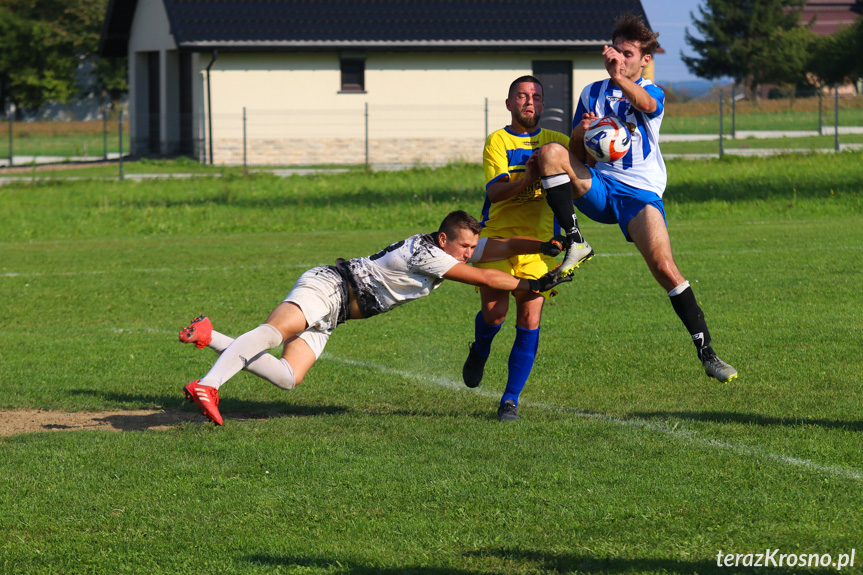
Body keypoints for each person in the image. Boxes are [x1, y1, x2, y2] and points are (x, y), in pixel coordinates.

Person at [179, 210, 571, 425]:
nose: (468, 252)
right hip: (331, 286)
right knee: (274, 332)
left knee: (287, 377)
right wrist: (537, 283)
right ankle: (209, 385)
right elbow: (487, 276)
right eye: (463, 246)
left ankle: (209, 335)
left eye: (471, 246)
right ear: (443, 240)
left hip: (337, 314)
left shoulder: (448, 247)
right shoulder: (429, 253)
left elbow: (498, 247)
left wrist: (542, 246)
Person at [534, 14, 737, 382]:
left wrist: (619, 77)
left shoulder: (651, 90)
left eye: (628, 54)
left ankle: (707, 351)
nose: (621, 58)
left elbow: (644, 103)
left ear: (644, 59)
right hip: (598, 185)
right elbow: (575, 155)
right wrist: (583, 132)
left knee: (664, 267)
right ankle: (575, 241)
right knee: (550, 154)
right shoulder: (590, 93)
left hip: (639, 195)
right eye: (617, 51)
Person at [462, 75, 593, 422]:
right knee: (495, 314)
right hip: (498, 240)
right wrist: (527, 179)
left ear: (543, 105)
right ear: (509, 104)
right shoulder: (498, 141)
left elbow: (583, 171)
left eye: (535, 96)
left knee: (529, 317)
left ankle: (510, 401)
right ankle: (481, 347)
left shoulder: (555, 142)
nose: (529, 101)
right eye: (521, 96)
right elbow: (495, 193)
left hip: (540, 246)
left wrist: (585, 136)